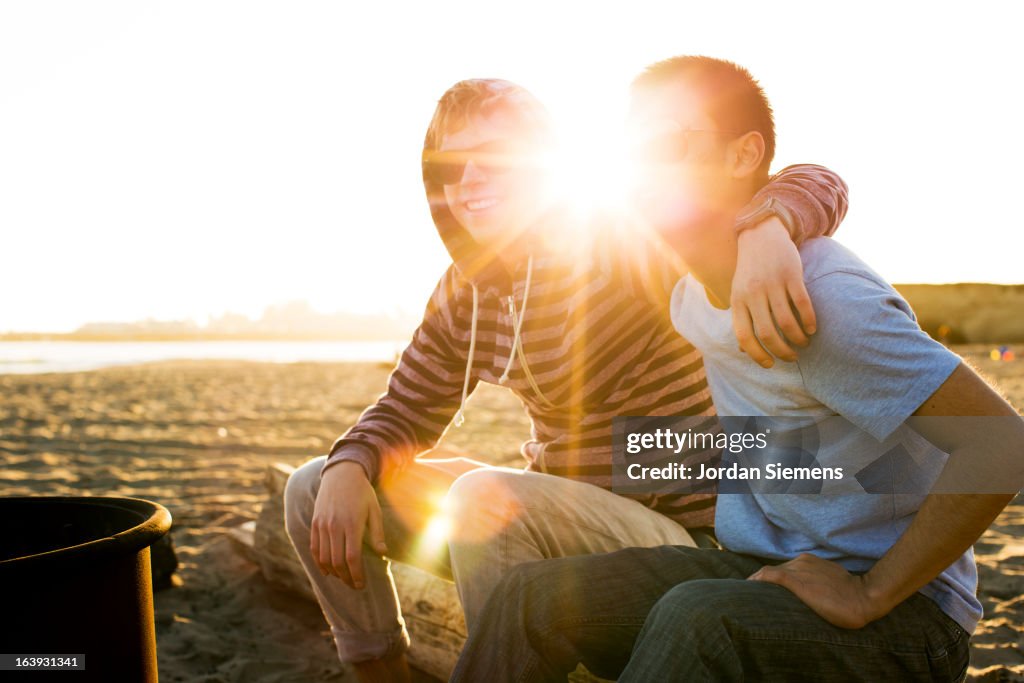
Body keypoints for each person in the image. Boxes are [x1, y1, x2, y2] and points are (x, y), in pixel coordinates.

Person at [450, 56, 1024, 682]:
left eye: (666, 144)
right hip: (765, 568)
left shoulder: (825, 301)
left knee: (697, 617)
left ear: (742, 156)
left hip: (911, 618)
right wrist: (769, 222)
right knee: (530, 597)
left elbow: (1000, 445)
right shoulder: (678, 279)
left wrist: (871, 594)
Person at [284, 77, 849, 682]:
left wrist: (767, 227)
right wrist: (352, 464)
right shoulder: (466, 287)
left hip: (683, 539)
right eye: (454, 162)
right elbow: (407, 407)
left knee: (483, 500)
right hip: (562, 515)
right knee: (315, 486)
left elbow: (818, 180)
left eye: (496, 157)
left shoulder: (614, 240)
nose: (471, 177)